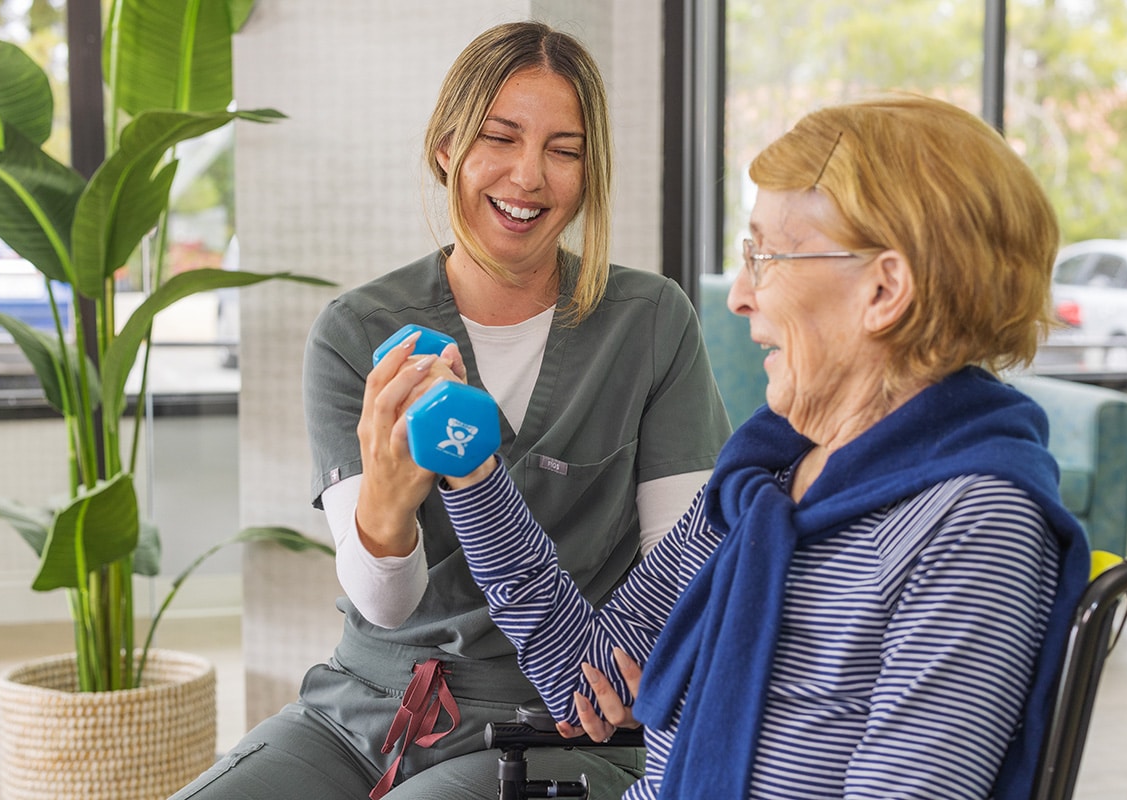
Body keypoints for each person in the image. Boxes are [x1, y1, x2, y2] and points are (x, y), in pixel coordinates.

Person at [427, 94, 1092, 799]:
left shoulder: (973, 523)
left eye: (766, 256)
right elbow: (587, 677)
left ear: (884, 288)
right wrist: (473, 472)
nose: (740, 294)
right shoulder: (767, 479)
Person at [170, 20, 730, 800]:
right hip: (364, 707)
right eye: (499, 138)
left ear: (589, 172)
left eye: (564, 150)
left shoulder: (651, 323)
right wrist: (387, 500)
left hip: (556, 720)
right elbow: (384, 603)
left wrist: (644, 666)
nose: (528, 176)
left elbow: (684, 567)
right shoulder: (358, 333)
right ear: (446, 148)